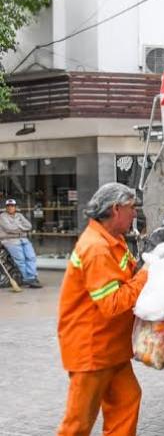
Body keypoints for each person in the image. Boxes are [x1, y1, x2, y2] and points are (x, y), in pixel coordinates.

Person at [57, 183, 149, 436]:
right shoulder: (96, 248)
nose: (134, 214)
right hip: (92, 349)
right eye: (132, 208)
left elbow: (128, 276)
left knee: (127, 400)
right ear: (116, 209)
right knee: (78, 423)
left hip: (110, 348)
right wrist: (146, 276)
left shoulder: (112, 240)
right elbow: (112, 303)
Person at [0, 199, 42, 288]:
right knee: (21, 260)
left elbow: (29, 226)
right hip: (10, 240)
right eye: (9, 206)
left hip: (23, 239)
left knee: (31, 257)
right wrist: (21, 227)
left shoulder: (19, 215)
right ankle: (28, 279)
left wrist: (17, 227)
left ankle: (32, 276)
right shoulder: (2, 216)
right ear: (6, 207)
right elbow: (9, 228)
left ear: (15, 207)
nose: (10, 207)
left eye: (12, 206)